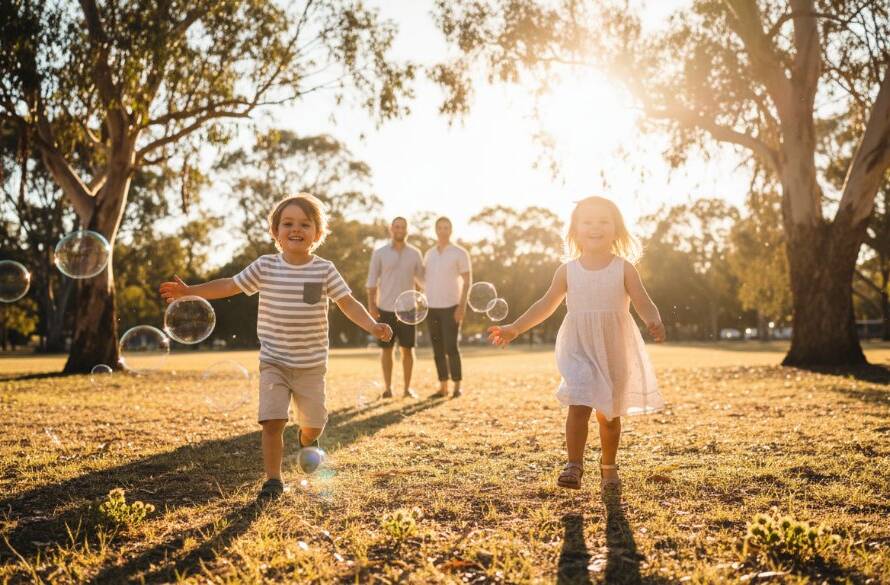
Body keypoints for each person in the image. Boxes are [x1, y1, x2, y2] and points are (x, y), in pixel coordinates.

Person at [159, 193, 392, 502]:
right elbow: (229, 284)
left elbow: (347, 303)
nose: (296, 229)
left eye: (305, 224)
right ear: (276, 232)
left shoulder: (324, 269)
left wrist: (372, 326)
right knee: (272, 420)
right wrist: (191, 291)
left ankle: (306, 438)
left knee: (314, 423)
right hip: (274, 361)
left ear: (317, 234)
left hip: (311, 364)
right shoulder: (266, 266)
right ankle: (273, 480)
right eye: (288, 223)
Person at [488, 196, 665, 491]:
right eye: (587, 222)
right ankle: (574, 464)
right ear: (574, 231)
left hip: (614, 348)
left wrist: (653, 319)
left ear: (617, 229)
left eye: (603, 221)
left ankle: (609, 468)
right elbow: (545, 304)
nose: (595, 227)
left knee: (609, 416)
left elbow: (642, 301)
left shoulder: (624, 268)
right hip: (579, 347)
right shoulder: (567, 271)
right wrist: (515, 327)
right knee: (578, 404)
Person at [366, 217, 425, 399]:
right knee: (387, 349)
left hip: (408, 309)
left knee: (408, 349)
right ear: (391, 229)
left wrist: (418, 296)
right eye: (396, 226)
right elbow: (371, 281)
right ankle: (388, 388)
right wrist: (372, 306)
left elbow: (422, 281)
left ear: (407, 230)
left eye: (403, 227)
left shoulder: (415, 253)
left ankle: (407, 389)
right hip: (385, 308)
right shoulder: (380, 253)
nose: (400, 229)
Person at [424, 216, 471, 398]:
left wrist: (462, 306)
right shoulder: (429, 254)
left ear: (450, 230)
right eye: (440, 228)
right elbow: (424, 279)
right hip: (431, 307)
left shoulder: (460, 253)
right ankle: (442, 387)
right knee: (437, 348)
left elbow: (467, 281)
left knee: (451, 347)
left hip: (452, 306)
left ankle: (457, 386)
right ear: (436, 231)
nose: (443, 231)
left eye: (446, 228)